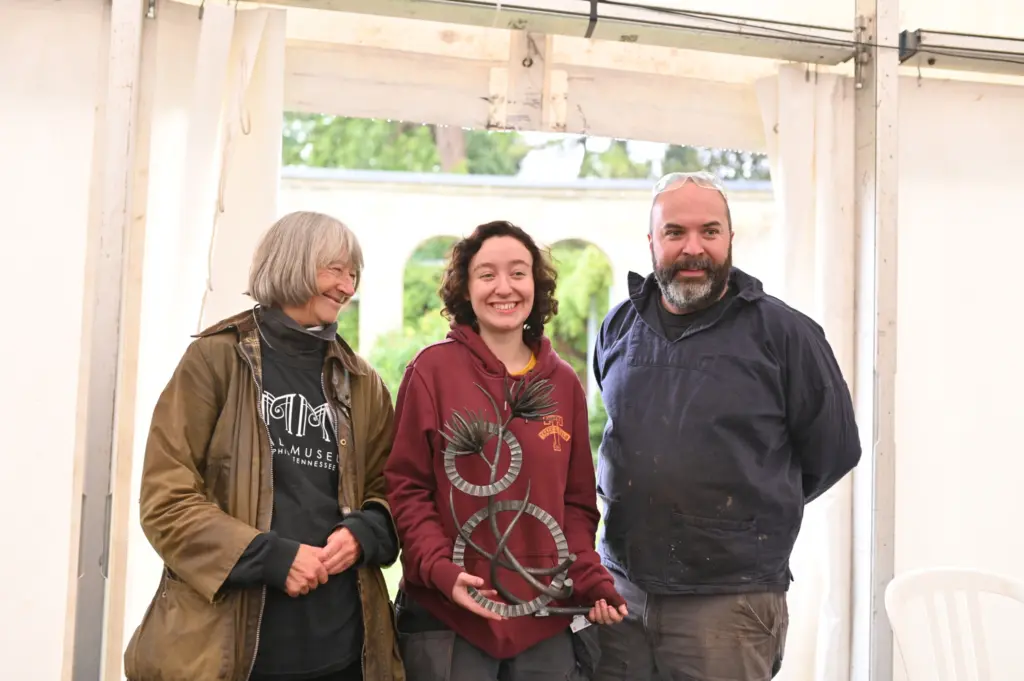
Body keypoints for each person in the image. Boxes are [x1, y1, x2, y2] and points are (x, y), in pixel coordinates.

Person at [592, 172, 862, 681]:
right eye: (675, 233)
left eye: (709, 232)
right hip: (623, 595)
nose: (693, 248)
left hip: (729, 603)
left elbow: (835, 450)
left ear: (730, 239)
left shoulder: (785, 335)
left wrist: (753, 502)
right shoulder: (618, 326)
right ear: (651, 241)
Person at [123, 211, 404, 681]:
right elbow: (165, 501)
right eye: (334, 269)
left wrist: (364, 533)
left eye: (353, 273)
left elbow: (394, 489)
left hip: (342, 652)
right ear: (292, 261)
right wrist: (271, 557)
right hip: (229, 653)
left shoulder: (364, 383)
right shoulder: (214, 360)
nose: (347, 286)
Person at [384, 221, 628, 681]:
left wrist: (591, 580)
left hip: (544, 622)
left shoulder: (564, 385)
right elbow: (407, 489)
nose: (504, 288)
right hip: (450, 620)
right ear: (466, 289)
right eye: (487, 274)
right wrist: (441, 571)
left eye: (518, 273)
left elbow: (575, 504)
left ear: (536, 285)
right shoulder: (431, 371)